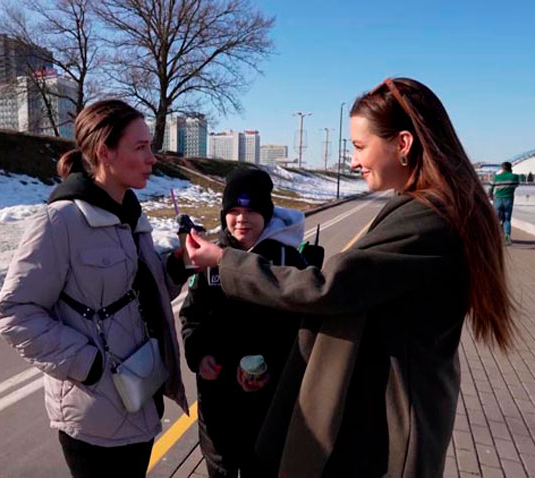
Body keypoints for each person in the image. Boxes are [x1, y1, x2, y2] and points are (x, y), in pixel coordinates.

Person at [185, 78, 516, 478]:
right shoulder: (430, 208)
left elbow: (330, 288)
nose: (355, 162)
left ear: (403, 144)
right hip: (389, 410)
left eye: (360, 147)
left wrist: (224, 261)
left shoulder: (427, 218)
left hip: (393, 424)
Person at [0, 99, 188, 478]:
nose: (152, 158)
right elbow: (14, 313)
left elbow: (138, 298)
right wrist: (89, 365)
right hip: (95, 417)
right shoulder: (61, 221)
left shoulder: (131, 216)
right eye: (141, 147)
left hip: (140, 398)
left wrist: (178, 265)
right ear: (104, 152)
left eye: (150, 146)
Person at [179, 168, 308, 478]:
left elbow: (303, 331)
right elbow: (191, 316)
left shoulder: (288, 261)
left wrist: (271, 367)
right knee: (220, 467)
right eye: (234, 211)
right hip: (217, 401)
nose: (241, 219)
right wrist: (199, 355)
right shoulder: (210, 258)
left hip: (268, 403)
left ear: (266, 213)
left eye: (251, 211)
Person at [490, 161, 520, 245]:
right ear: (511, 168)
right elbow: (516, 185)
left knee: (496, 220)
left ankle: (495, 237)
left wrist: (491, 196)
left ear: (502, 168)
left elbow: (490, 188)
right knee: (507, 220)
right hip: (508, 200)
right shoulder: (514, 177)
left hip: (498, 200)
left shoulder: (496, 177)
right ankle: (507, 237)